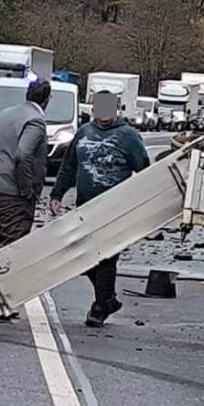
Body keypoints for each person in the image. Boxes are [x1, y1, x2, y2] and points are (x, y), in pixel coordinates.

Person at [47, 91, 151, 328]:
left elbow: (145, 171)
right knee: (82, 257)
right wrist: (56, 195)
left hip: (114, 209)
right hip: (85, 207)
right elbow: (69, 166)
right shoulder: (84, 132)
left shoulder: (128, 136)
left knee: (105, 258)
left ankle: (99, 307)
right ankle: (107, 299)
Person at [0, 78, 51, 254]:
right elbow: (23, 155)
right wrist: (26, 190)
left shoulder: (6, 113)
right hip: (11, 194)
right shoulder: (36, 121)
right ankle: (4, 281)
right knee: (13, 249)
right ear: (48, 99)